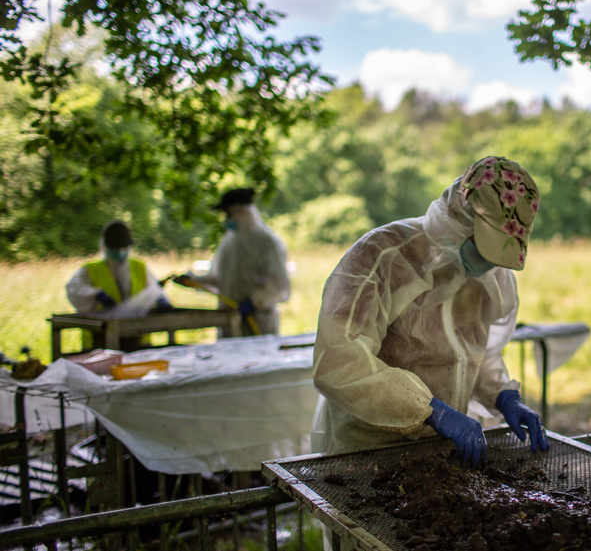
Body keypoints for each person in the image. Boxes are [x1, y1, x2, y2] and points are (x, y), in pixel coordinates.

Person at [311, 156, 549, 469]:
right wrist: (429, 410)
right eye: (485, 246)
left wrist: (504, 395)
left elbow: (473, 353)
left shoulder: (491, 273)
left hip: (443, 453)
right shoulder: (381, 255)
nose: (489, 263)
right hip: (367, 454)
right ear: (459, 217)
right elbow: (339, 361)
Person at [179, 188, 290, 337]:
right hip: (230, 319)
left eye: (228, 214)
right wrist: (193, 280)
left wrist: (255, 302)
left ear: (242, 211)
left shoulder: (266, 242)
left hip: (258, 321)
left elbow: (279, 284)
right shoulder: (229, 242)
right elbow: (220, 277)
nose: (226, 219)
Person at [66, 219, 173, 350]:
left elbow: (154, 290)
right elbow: (74, 288)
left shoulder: (139, 267)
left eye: (124, 248)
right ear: (106, 247)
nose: (121, 252)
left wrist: (162, 300)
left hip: (136, 335)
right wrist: (96, 295)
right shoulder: (91, 270)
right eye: (116, 248)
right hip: (102, 338)